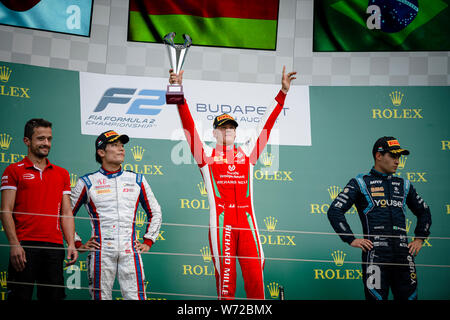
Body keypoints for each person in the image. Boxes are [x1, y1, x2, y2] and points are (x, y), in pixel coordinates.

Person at [169, 67, 297, 300]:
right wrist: (178, 92)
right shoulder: (205, 156)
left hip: (248, 223)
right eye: (223, 128)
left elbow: (266, 126)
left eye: (231, 128)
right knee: (226, 288)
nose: (227, 131)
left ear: (236, 134)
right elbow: (188, 126)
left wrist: (283, 93)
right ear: (215, 133)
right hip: (222, 225)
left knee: (256, 281)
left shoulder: (248, 155)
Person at [327, 136, 431, 300]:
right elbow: (335, 211)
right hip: (375, 256)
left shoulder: (404, 184)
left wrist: (419, 239)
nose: (397, 161)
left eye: (399, 157)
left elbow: (424, 211)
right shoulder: (360, 183)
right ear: (379, 155)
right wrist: (350, 239)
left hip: (404, 256)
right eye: (393, 156)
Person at [71, 130, 162, 300]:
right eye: (115, 145)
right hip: (101, 252)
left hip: (130, 251)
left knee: (136, 298)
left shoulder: (137, 180)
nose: (121, 149)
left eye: (122, 146)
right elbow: (65, 215)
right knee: (100, 298)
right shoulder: (87, 182)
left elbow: (155, 211)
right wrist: (76, 243)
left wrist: (148, 240)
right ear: (101, 152)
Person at [0, 118, 78, 300]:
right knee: (20, 297)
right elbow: (5, 210)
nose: (46, 143)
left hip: (55, 247)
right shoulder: (13, 170)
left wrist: (71, 243)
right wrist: (14, 244)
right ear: (27, 141)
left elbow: (66, 212)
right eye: (40, 138)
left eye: (49, 139)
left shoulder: (62, 173)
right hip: (24, 246)